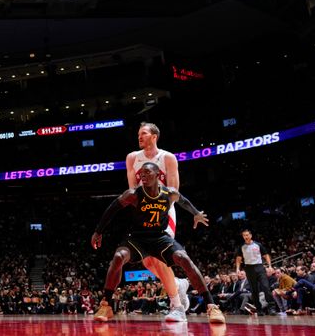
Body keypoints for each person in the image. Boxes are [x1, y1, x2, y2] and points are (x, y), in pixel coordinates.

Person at [91, 162, 225, 324]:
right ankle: (106, 305)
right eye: (141, 173)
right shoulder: (133, 194)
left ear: (158, 175)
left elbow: (183, 201)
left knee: (184, 258)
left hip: (160, 237)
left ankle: (211, 306)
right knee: (119, 256)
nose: (142, 176)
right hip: (137, 238)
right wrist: (98, 231)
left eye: (147, 172)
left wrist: (196, 213)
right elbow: (112, 208)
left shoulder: (169, 193)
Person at [126, 122, 190, 322]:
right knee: (147, 259)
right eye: (138, 134)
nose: (139, 137)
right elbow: (133, 192)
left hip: (164, 212)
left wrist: (158, 213)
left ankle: (177, 306)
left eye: (143, 133)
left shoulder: (167, 158)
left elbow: (174, 192)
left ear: (154, 136)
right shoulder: (132, 158)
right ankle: (177, 284)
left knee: (159, 256)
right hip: (143, 214)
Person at [235, 229, 275, 315]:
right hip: (249, 269)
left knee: (265, 287)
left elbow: (266, 255)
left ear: (251, 235)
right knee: (254, 290)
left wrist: (270, 266)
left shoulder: (258, 244)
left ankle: (271, 308)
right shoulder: (241, 246)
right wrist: (237, 269)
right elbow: (238, 259)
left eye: (247, 235)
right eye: (244, 235)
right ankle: (259, 309)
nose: (245, 237)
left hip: (259, 267)